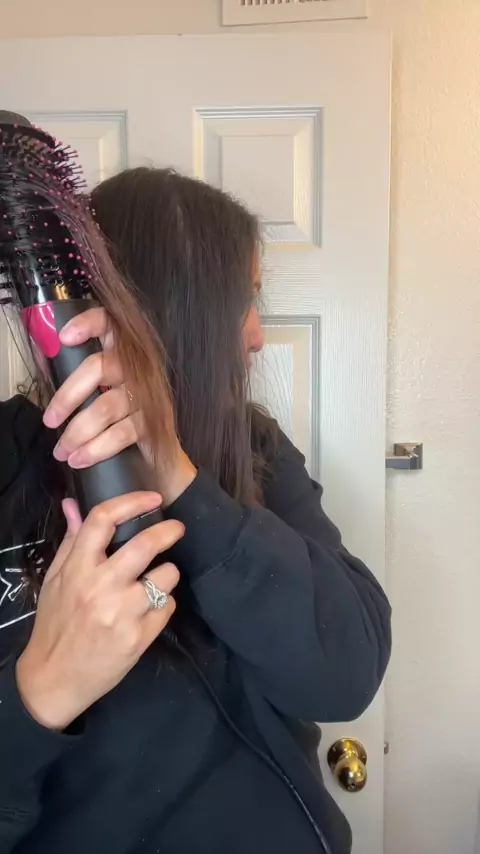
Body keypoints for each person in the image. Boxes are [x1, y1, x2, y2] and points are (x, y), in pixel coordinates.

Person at [0, 167, 391, 854]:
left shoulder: (254, 448)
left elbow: (346, 673)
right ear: (183, 310)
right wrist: (42, 689)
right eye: (244, 301)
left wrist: (175, 472)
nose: (257, 336)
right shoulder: (6, 460)